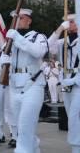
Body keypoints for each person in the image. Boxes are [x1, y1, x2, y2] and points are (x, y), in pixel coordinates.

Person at [0, 8, 48, 153]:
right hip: (14, 85)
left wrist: (17, 38)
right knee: (21, 126)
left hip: (32, 85)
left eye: (21, 18)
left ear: (29, 21)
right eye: (16, 18)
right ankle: (34, 148)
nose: (18, 20)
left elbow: (38, 52)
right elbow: (0, 61)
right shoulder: (10, 41)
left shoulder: (38, 37)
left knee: (25, 124)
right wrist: (3, 60)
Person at [48, 14, 80, 153]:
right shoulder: (62, 42)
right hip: (66, 85)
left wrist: (74, 80)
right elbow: (48, 46)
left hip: (78, 84)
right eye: (67, 22)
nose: (69, 24)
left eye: (71, 22)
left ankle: (75, 147)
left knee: (73, 116)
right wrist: (60, 28)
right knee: (71, 116)